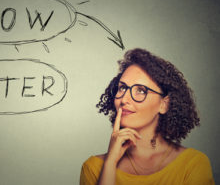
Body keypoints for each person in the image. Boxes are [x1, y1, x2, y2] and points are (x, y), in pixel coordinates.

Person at [80, 48, 215, 185]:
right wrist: (110, 163)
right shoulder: (94, 168)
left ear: (164, 104)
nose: (124, 99)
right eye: (122, 88)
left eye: (140, 90)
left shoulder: (193, 164)